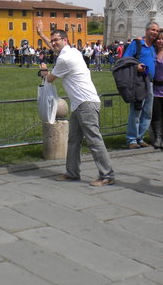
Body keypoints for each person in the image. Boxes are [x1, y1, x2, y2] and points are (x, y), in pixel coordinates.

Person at [36, 21, 115, 186]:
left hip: (86, 104)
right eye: (52, 40)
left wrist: (43, 71)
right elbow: (55, 50)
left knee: (94, 141)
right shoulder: (73, 52)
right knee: (73, 140)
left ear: (65, 40)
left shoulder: (65, 58)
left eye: (56, 40)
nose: (53, 43)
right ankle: (72, 173)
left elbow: (50, 79)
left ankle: (107, 175)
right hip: (80, 104)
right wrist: (42, 35)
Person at [123, 22, 159, 148]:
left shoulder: (153, 47)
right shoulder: (137, 44)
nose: (155, 32)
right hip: (139, 82)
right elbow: (125, 60)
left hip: (150, 83)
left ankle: (140, 137)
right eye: (152, 30)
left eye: (157, 31)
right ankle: (131, 139)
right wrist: (136, 66)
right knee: (136, 111)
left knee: (147, 112)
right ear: (146, 31)